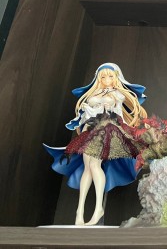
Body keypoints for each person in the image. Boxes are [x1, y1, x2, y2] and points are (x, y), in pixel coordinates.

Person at [44, 63, 147, 226]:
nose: (107, 79)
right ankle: (79, 211)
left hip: (105, 131)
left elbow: (116, 114)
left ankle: (98, 208)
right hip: (91, 131)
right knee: (87, 167)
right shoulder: (96, 93)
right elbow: (87, 114)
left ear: (116, 78)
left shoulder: (116, 94)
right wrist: (84, 127)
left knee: (94, 165)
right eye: (103, 77)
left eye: (110, 76)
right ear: (98, 78)